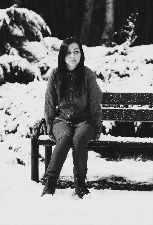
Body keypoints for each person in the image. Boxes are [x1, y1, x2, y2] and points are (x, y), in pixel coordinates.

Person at [42, 37, 103, 198]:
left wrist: (96, 127)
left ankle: (80, 185)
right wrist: (49, 126)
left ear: (81, 54)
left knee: (78, 139)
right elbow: (49, 102)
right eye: (68, 52)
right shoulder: (55, 74)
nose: (73, 56)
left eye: (76, 52)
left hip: (85, 122)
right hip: (61, 121)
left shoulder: (88, 75)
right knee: (66, 137)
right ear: (63, 55)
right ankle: (50, 184)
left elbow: (95, 103)